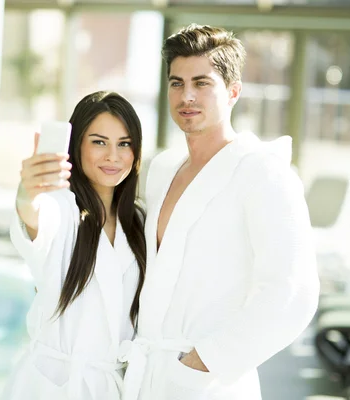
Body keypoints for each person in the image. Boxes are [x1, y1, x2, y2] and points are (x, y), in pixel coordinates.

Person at [119, 24, 320, 400]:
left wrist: (203, 362)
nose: (187, 96)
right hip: (148, 376)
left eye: (202, 82)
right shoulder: (163, 169)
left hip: (207, 383)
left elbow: (292, 292)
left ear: (233, 91)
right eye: (176, 83)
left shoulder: (263, 172)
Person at [3, 91, 146, 400]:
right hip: (51, 387)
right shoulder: (63, 208)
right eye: (98, 142)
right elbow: (36, 215)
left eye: (124, 143)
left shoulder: (138, 222)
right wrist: (28, 193)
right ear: (75, 145)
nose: (113, 156)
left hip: (113, 386)